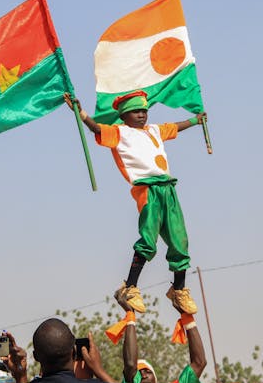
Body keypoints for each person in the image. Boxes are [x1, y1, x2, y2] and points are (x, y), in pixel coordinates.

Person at [63, 91, 207, 315]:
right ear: (124, 114)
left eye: (144, 111)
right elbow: (98, 129)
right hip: (147, 190)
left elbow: (174, 127)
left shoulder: (154, 130)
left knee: (180, 239)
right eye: (136, 111)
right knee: (149, 239)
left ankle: (179, 290)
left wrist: (195, 121)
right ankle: (130, 287)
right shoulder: (121, 132)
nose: (142, 115)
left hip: (168, 188)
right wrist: (81, 114)